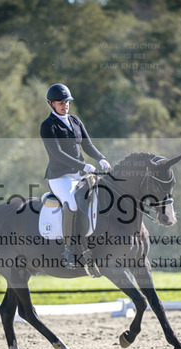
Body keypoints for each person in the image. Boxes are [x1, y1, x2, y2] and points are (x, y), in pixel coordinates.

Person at [40, 83, 111, 268]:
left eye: (67, 102)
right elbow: (57, 154)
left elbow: (87, 145)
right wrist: (83, 165)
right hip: (59, 176)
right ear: (51, 104)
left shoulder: (75, 120)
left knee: (100, 196)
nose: (65, 105)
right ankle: (69, 250)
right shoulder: (48, 126)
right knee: (71, 204)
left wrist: (101, 158)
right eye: (61, 103)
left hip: (79, 174)